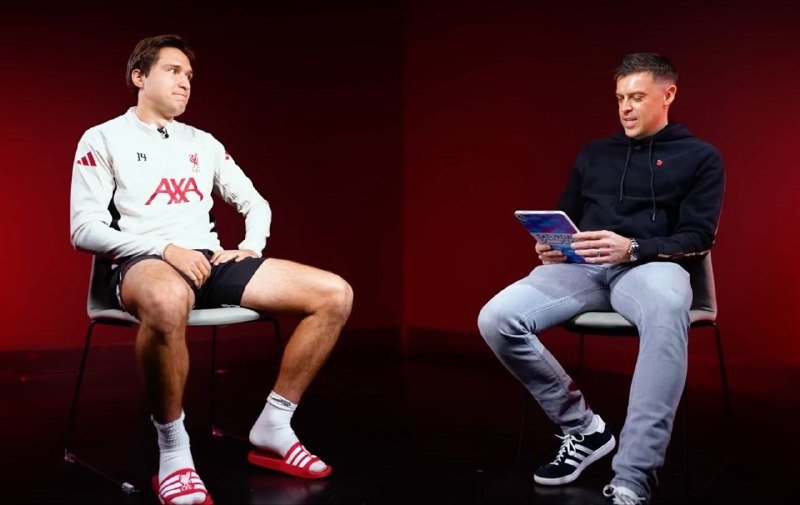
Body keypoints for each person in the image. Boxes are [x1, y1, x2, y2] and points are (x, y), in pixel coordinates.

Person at [69, 34, 353, 505]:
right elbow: (84, 230)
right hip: (144, 262)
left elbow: (255, 203)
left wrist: (250, 247)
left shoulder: (203, 143)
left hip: (207, 262)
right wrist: (164, 248)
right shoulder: (102, 138)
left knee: (334, 294)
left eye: (189, 75)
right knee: (166, 300)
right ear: (139, 77)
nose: (184, 82)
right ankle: (174, 452)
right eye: (172, 71)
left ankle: (274, 426)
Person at [477, 53, 724, 505]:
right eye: (620, 98)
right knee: (497, 318)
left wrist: (632, 248)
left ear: (668, 95)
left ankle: (633, 477)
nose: (626, 108)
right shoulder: (594, 153)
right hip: (583, 270)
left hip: (651, 267)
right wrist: (553, 246)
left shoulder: (701, 157)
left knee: (667, 309)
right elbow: (566, 216)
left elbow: (699, 236)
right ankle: (584, 429)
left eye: (637, 97)